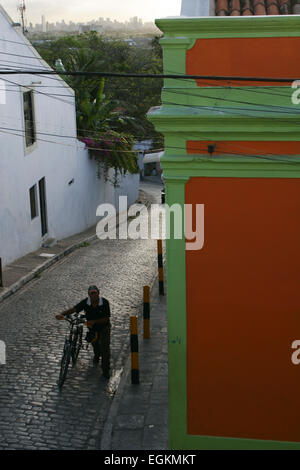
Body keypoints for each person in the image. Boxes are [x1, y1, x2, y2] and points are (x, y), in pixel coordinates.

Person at [56, 285, 111, 378]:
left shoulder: (104, 302)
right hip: (92, 328)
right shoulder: (85, 302)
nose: (93, 295)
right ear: (89, 295)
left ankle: (105, 370)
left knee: (104, 348)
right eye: (91, 293)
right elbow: (74, 309)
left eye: (95, 293)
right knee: (95, 344)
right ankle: (97, 355)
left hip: (103, 328)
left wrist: (94, 321)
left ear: (98, 293)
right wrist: (62, 314)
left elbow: (106, 319)